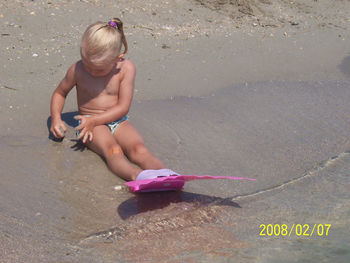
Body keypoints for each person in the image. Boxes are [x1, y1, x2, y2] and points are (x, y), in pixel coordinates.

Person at [50, 18, 177, 181]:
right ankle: (136, 176)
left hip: (118, 120)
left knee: (139, 149)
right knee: (113, 150)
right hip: (89, 123)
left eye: (99, 69)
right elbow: (60, 93)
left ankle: (165, 174)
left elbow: (123, 107)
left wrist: (98, 119)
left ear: (118, 57)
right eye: (88, 65)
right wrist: (56, 118)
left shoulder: (126, 69)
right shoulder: (77, 69)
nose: (92, 72)